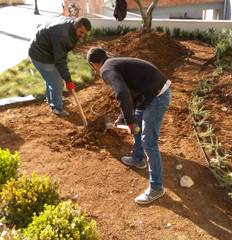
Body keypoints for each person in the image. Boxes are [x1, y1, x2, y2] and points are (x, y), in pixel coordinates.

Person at [87, 47, 171, 204]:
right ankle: (138, 158)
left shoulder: (106, 69)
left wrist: (130, 122)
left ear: (93, 64)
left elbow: (123, 93)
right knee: (137, 118)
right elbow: (131, 93)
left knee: (149, 142)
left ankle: (156, 187)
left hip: (157, 97)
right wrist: (125, 117)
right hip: (148, 94)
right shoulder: (114, 63)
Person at [29, 16, 91, 116]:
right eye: (81, 32)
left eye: (85, 33)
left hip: (47, 50)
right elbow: (60, 60)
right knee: (57, 82)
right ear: (75, 26)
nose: (82, 36)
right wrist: (68, 80)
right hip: (40, 54)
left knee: (52, 79)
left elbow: (61, 54)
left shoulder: (71, 25)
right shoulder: (63, 36)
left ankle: (52, 99)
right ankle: (57, 108)